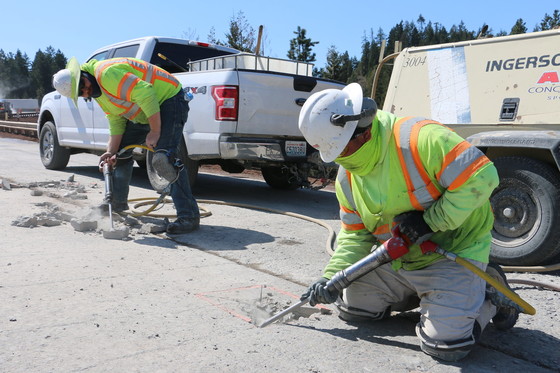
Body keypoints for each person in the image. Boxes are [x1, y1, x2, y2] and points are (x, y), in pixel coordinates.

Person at [298, 83, 520, 362]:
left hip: (452, 254)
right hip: (398, 261)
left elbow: (482, 177)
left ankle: (487, 294)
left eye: (340, 148)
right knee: (355, 310)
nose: (338, 157)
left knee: (447, 346)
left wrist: (429, 222)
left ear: (363, 131)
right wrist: (331, 277)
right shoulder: (347, 177)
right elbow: (355, 236)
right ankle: (431, 298)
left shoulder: (420, 139)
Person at [52, 57, 200, 234]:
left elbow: (146, 93)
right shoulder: (98, 92)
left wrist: (154, 131)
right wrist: (111, 152)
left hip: (169, 99)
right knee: (118, 156)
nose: (86, 90)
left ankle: (189, 216)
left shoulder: (107, 75)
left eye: (83, 84)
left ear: (83, 74)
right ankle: (116, 203)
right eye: (81, 92)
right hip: (146, 111)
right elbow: (116, 119)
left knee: (164, 159)